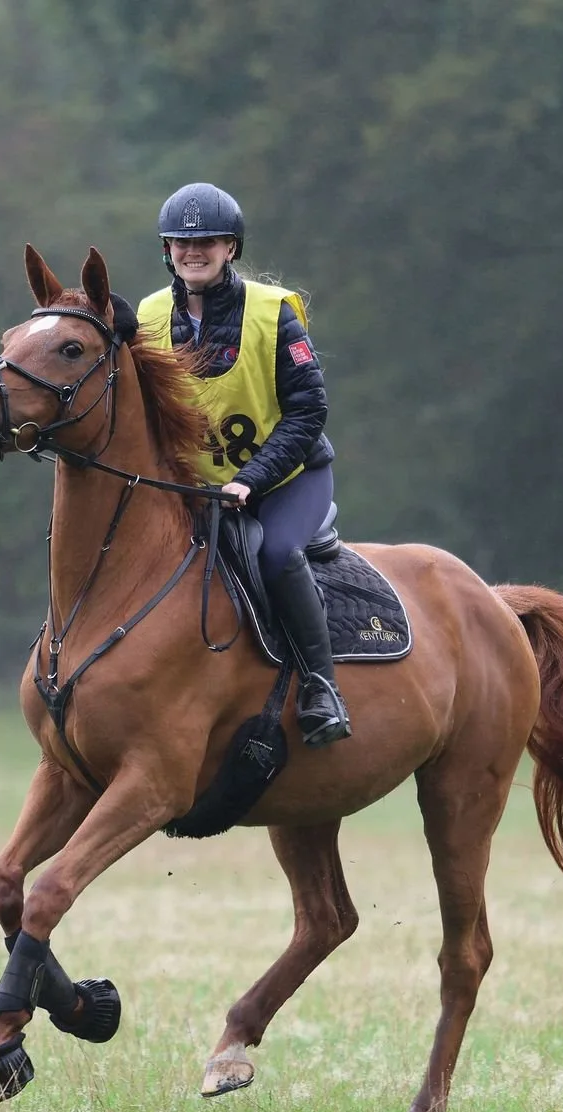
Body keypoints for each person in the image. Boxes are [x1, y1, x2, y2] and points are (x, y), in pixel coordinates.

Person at [137, 182, 352, 746]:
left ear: (231, 247)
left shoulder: (273, 313)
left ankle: (322, 688)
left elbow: (309, 412)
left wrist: (249, 481)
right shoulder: (151, 317)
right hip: (199, 490)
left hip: (287, 478)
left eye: (207, 241)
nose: (193, 252)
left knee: (278, 554)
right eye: (181, 243)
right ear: (167, 251)